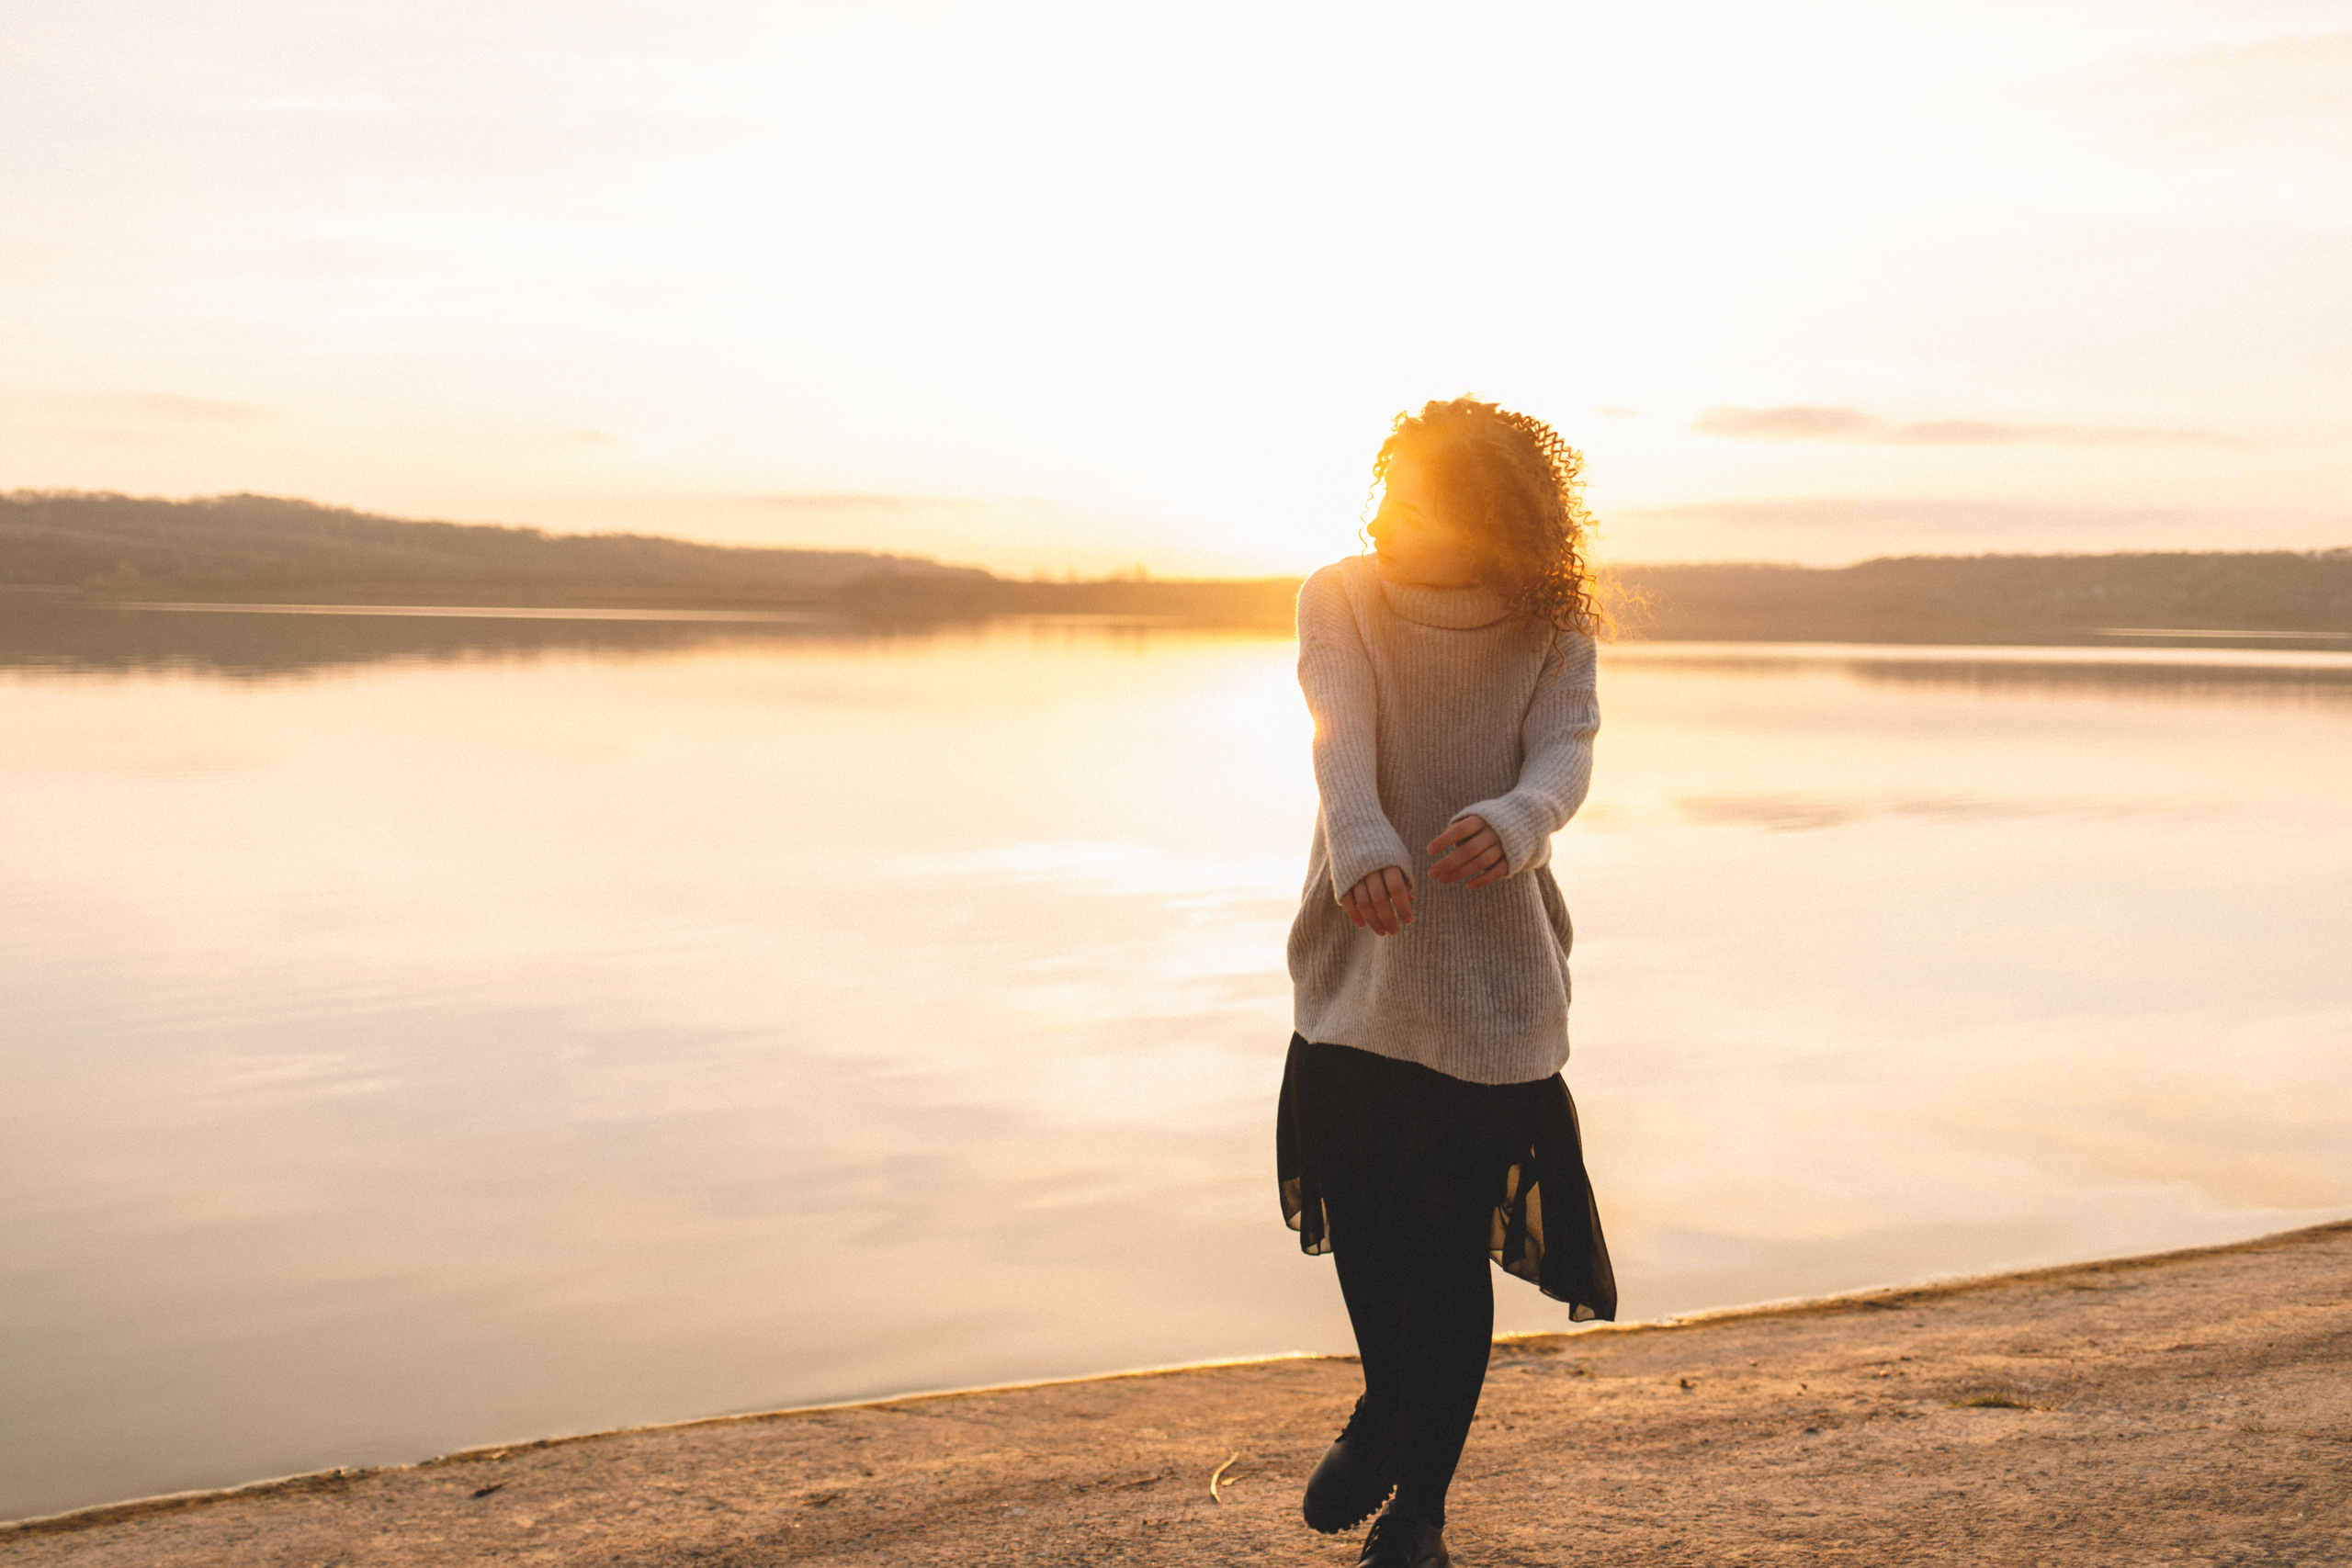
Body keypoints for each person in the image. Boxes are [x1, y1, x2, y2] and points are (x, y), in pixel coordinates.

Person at [1278, 397, 1618, 1567]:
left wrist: (1520, 817)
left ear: (1484, 526)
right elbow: (1339, 731)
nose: (1379, 519)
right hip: (1360, 969)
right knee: (1370, 1239)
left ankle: (1420, 1511)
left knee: (1445, 1252)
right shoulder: (1343, 593)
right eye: (1381, 488)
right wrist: (1362, 842)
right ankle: (1384, 1403)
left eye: (1411, 506)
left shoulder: (1551, 625)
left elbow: (1565, 750)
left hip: (1493, 987)